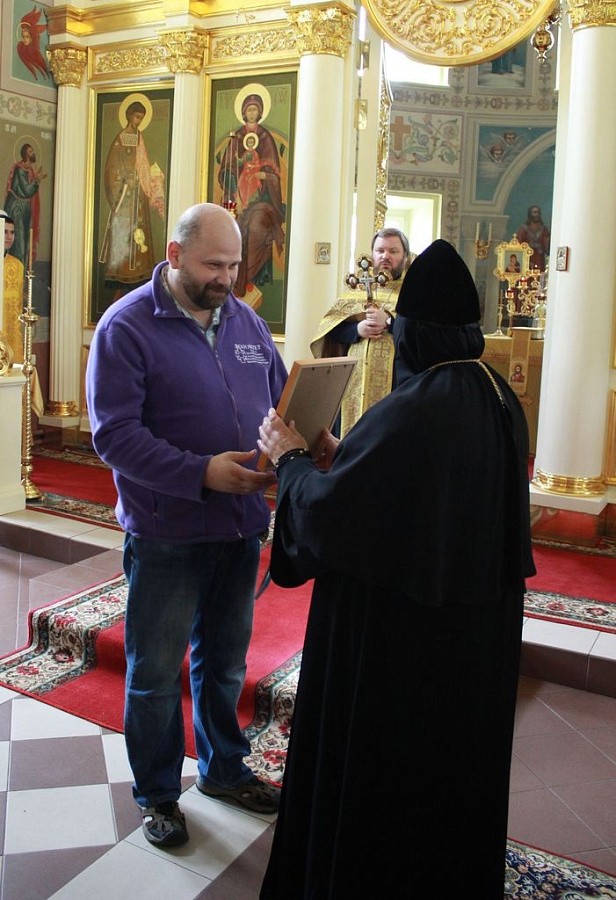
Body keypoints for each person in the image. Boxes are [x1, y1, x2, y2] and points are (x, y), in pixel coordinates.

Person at [257, 238, 535, 898]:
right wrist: (343, 455)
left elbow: (331, 519)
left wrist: (291, 459)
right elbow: (401, 491)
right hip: (470, 643)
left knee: (389, 802)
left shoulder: (417, 408)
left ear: (412, 331)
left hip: (402, 653)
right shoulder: (496, 394)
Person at [86, 202, 288, 848]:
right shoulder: (126, 326)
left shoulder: (246, 321)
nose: (226, 278)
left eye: (234, 265)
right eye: (213, 265)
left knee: (225, 665)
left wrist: (301, 444)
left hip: (240, 527)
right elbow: (114, 436)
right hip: (166, 531)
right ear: (174, 256)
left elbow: (282, 399)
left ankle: (224, 771)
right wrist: (201, 473)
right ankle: (159, 795)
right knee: (154, 674)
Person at [310, 226, 412, 436]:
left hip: (396, 385)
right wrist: (357, 329)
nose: (385, 256)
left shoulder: (413, 292)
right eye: (380, 250)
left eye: (393, 251)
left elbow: (420, 335)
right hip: (352, 384)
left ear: (405, 256)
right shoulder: (356, 289)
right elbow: (331, 330)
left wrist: (390, 322)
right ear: (372, 254)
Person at [218, 91, 285, 297]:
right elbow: (226, 170)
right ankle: (233, 281)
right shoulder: (236, 136)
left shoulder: (265, 137)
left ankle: (250, 277)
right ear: (244, 112)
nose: (252, 113)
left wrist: (263, 175)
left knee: (256, 227)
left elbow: (274, 175)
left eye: (255, 109)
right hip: (238, 197)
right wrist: (235, 189)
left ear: (261, 112)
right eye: (249, 109)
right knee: (234, 228)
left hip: (263, 199)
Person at [99, 100, 165, 294]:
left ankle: (141, 274)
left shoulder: (139, 137)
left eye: (142, 118)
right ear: (129, 116)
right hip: (125, 195)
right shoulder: (121, 138)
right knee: (124, 234)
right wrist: (126, 180)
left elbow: (142, 164)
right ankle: (121, 277)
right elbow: (112, 167)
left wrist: (149, 176)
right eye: (137, 117)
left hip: (138, 196)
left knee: (141, 233)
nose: (138, 121)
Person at [4, 143, 46, 267]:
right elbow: (27, 191)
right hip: (16, 209)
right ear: (25, 154)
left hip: (25, 210)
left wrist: (36, 179)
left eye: (32, 151)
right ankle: (15, 274)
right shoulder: (19, 169)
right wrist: (37, 180)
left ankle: (21, 274)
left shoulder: (29, 170)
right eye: (30, 151)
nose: (33, 153)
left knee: (25, 244)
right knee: (19, 245)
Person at [2, 215, 25, 362]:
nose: (9, 237)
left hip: (10, 337)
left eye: (12, 232)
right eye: (5, 232)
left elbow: (18, 305)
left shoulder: (17, 266)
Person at [516, 204, 550, 271]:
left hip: (539, 258)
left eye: (538, 212)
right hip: (528, 257)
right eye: (534, 212)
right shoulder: (524, 229)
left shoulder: (544, 229)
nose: (536, 214)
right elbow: (519, 245)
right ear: (530, 214)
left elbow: (546, 245)